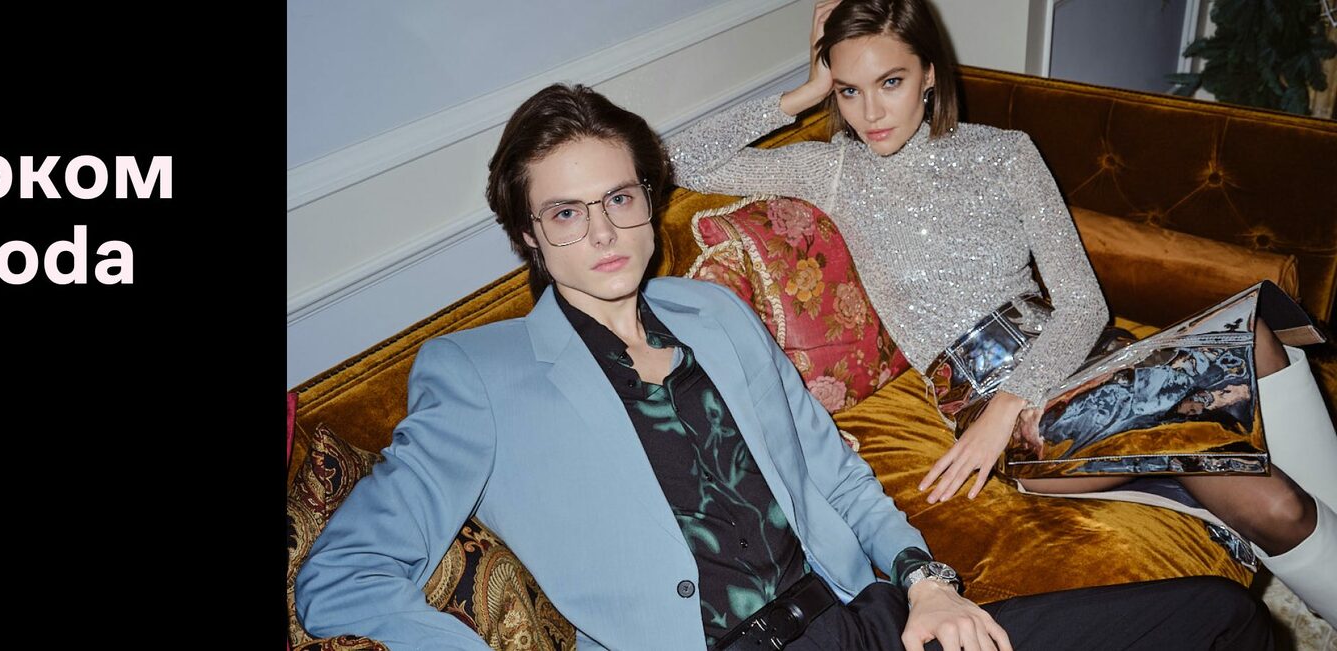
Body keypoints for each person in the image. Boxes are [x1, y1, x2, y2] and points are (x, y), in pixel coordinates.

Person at [295, 82, 1272, 650]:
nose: (604, 232)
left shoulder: (712, 311)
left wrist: (927, 582)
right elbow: (338, 576)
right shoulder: (476, 373)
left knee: (1221, 619)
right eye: (565, 212)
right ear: (525, 233)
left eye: (621, 199)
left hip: (869, 618)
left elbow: (835, 470)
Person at [669, 0, 1336, 620]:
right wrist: (807, 90)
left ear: (929, 74)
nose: (870, 111)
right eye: (850, 90)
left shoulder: (1006, 152)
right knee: (1275, 499)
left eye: (891, 82)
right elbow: (681, 160)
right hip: (1012, 412)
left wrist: (1018, 393)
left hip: (1071, 360)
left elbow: (1083, 303)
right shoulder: (836, 170)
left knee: (1258, 340)